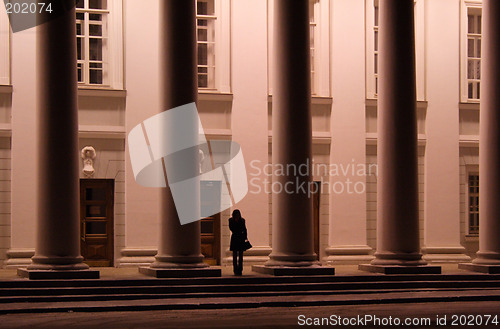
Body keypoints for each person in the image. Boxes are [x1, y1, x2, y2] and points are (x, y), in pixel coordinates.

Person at [229, 209, 247, 276]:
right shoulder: (231, 220)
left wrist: (245, 238)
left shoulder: (242, 220)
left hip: (240, 238)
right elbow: (231, 228)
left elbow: (244, 229)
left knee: (240, 255)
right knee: (235, 255)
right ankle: (235, 269)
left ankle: (240, 270)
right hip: (235, 238)